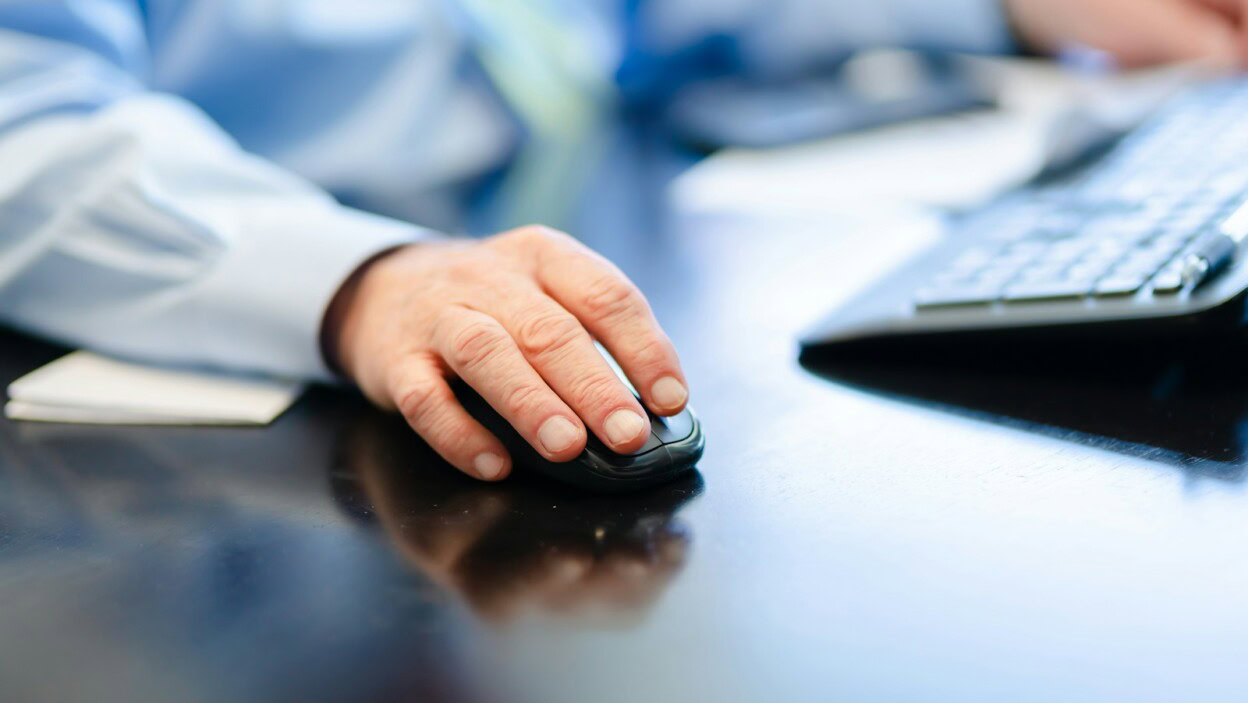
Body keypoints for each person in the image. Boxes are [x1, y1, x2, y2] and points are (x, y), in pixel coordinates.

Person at [0, 0, 1243, 483]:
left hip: (574, 208)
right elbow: (24, 118)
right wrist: (364, 280)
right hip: (213, 368)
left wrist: (1007, 1)